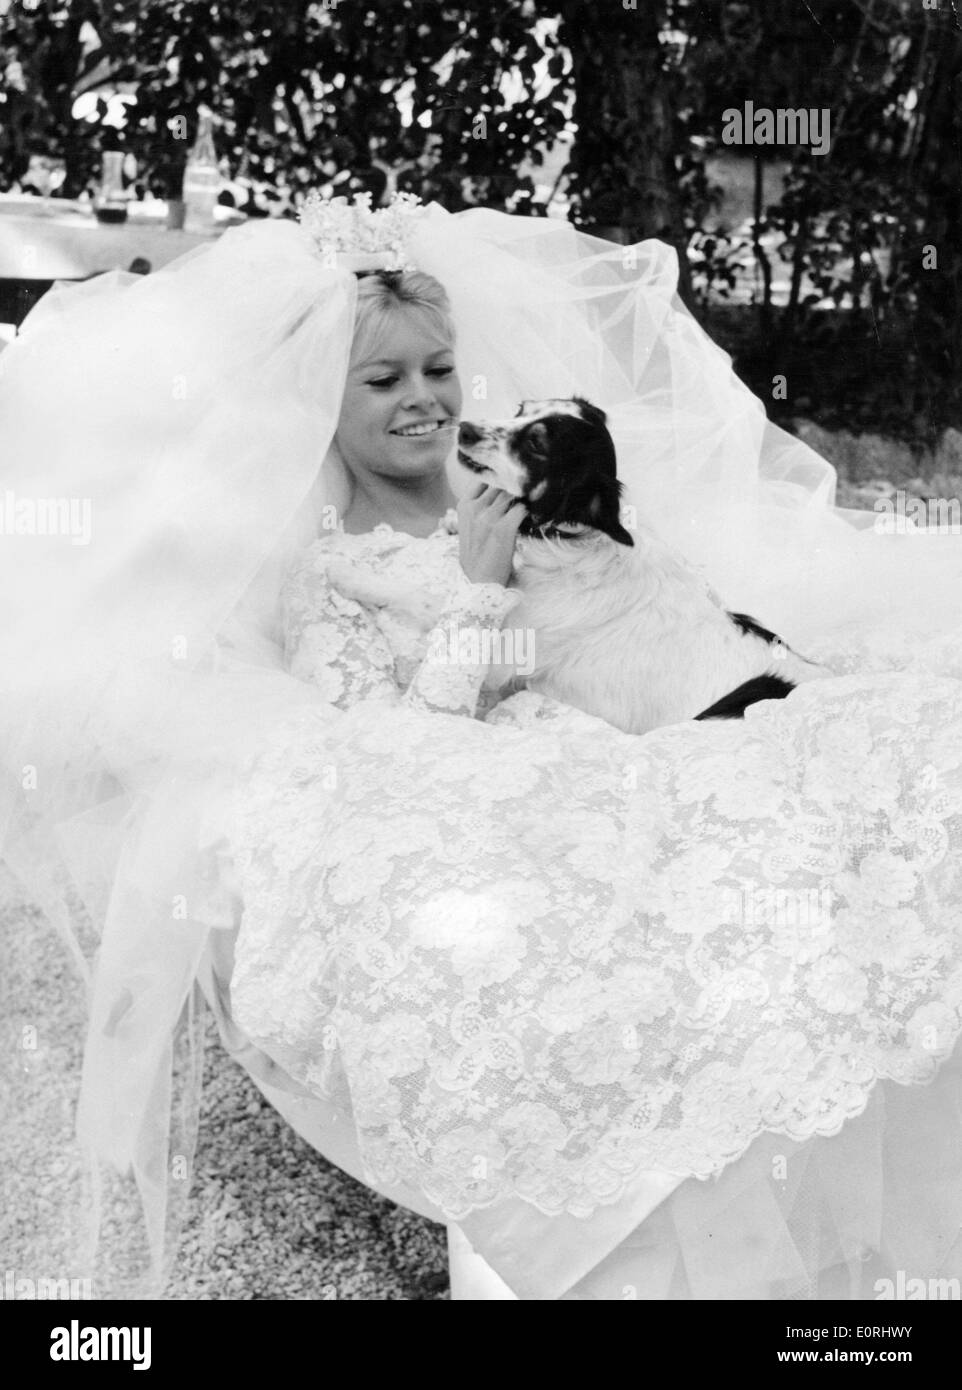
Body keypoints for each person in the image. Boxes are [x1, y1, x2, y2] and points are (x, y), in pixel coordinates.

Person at [1, 197, 961, 1301]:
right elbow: (387, 749)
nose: (424, 402)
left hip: (628, 741)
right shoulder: (336, 569)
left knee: (869, 789)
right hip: (493, 780)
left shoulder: (524, 487)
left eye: (437, 370)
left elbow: (646, 623)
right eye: (383, 381)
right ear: (322, 395)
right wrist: (472, 593)